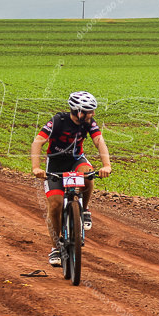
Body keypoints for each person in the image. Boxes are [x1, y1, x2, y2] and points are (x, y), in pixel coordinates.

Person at [30, 91, 112, 266]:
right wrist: (36, 168)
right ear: (78, 111)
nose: (93, 114)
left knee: (88, 174)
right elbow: (38, 142)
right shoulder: (58, 121)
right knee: (55, 205)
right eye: (90, 111)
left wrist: (106, 165)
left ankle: (85, 210)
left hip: (76, 160)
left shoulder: (89, 123)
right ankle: (55, 248)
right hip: (55, 165)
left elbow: (99, 141)